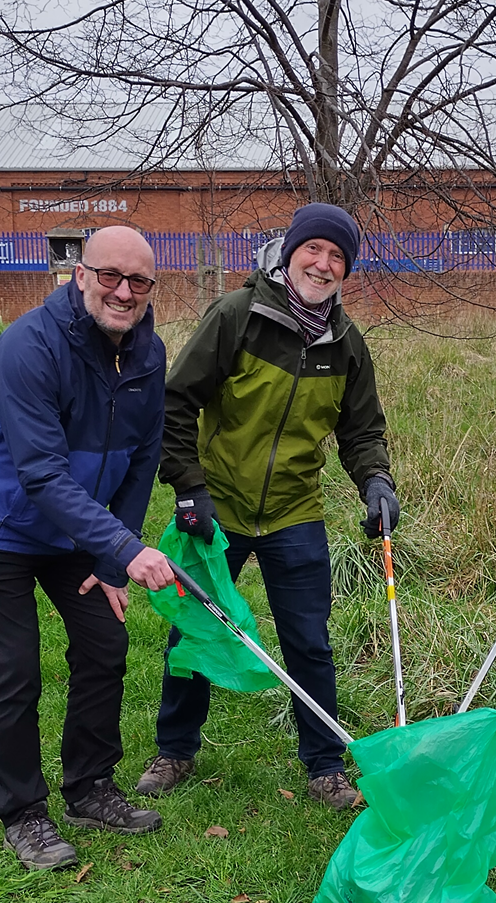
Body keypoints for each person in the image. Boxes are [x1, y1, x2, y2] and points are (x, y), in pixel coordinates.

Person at [137, 202, 399, 809]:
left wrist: (376, 481)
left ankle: (325, 766)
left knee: (309, 640)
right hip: (217, 503)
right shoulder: (238, 315)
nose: (324, 263)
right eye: (314, 249)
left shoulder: (347, 343)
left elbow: (361, 431)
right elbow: (175, 403)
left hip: (294, 511)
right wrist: (188, 486)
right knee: (193, 627)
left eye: (338, 256)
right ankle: (175, 749)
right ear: (290, 252)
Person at [0, 226, 176, 871]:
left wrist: (109, 559)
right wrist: (128, 552)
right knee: (16, 667)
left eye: (139, 282)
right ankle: (23, 812)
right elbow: (41, 474)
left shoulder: (150, 356)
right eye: (110, 276)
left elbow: (142, 459)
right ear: (80, 274)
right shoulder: (28, 347)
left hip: (77, 531)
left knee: (105, 642)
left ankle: (90, 786)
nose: (124, 293)